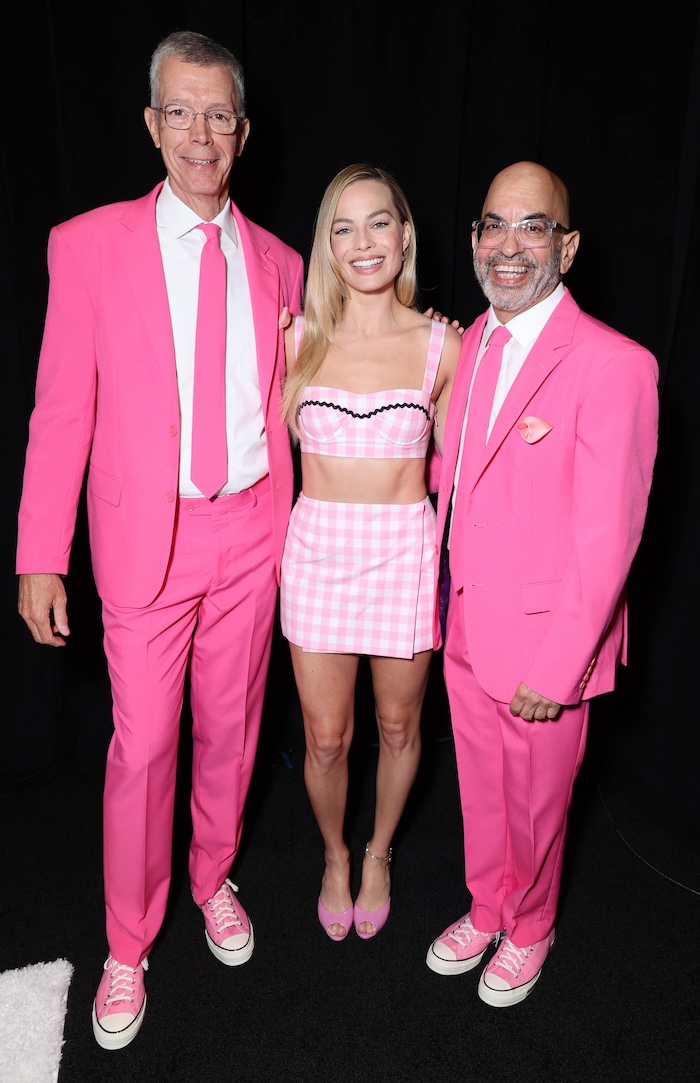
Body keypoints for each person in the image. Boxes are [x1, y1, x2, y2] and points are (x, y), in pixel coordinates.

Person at [16, 30, 304, 1049]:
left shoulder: (281, 261)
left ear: (242, 131)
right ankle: (128, 945)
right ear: (150, 124)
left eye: (217, 114)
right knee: (143, 748)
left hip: (252, 534)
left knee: (232, 731)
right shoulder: (85, 245)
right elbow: (61, 411)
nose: (198, 133)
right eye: (178, 112)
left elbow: (302, 396)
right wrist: (40, 552)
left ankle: (213, 877)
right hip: (147, 540)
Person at [424, 161, 659, 1006]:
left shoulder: (615, 364)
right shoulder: (476, 340)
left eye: (533, 226)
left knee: (538, 809)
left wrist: (559, 667)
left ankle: (532, 926)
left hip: (548, 647)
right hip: (468, 623)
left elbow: (611, 538)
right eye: (493, 224)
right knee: (481, 793)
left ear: (569, 244)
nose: (508, 244)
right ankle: (489, 906)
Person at [280, 163, 461, 941]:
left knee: (396, 725)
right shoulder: (294, 338)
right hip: (317, 547)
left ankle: (379, 850)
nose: (363, 241)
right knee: (326, 736)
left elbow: (466, 470)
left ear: (405, 233)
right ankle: (331, 853)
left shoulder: (445, 345)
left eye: (379, 221)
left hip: (403, 553)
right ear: (326, 244)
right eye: (343, 227)